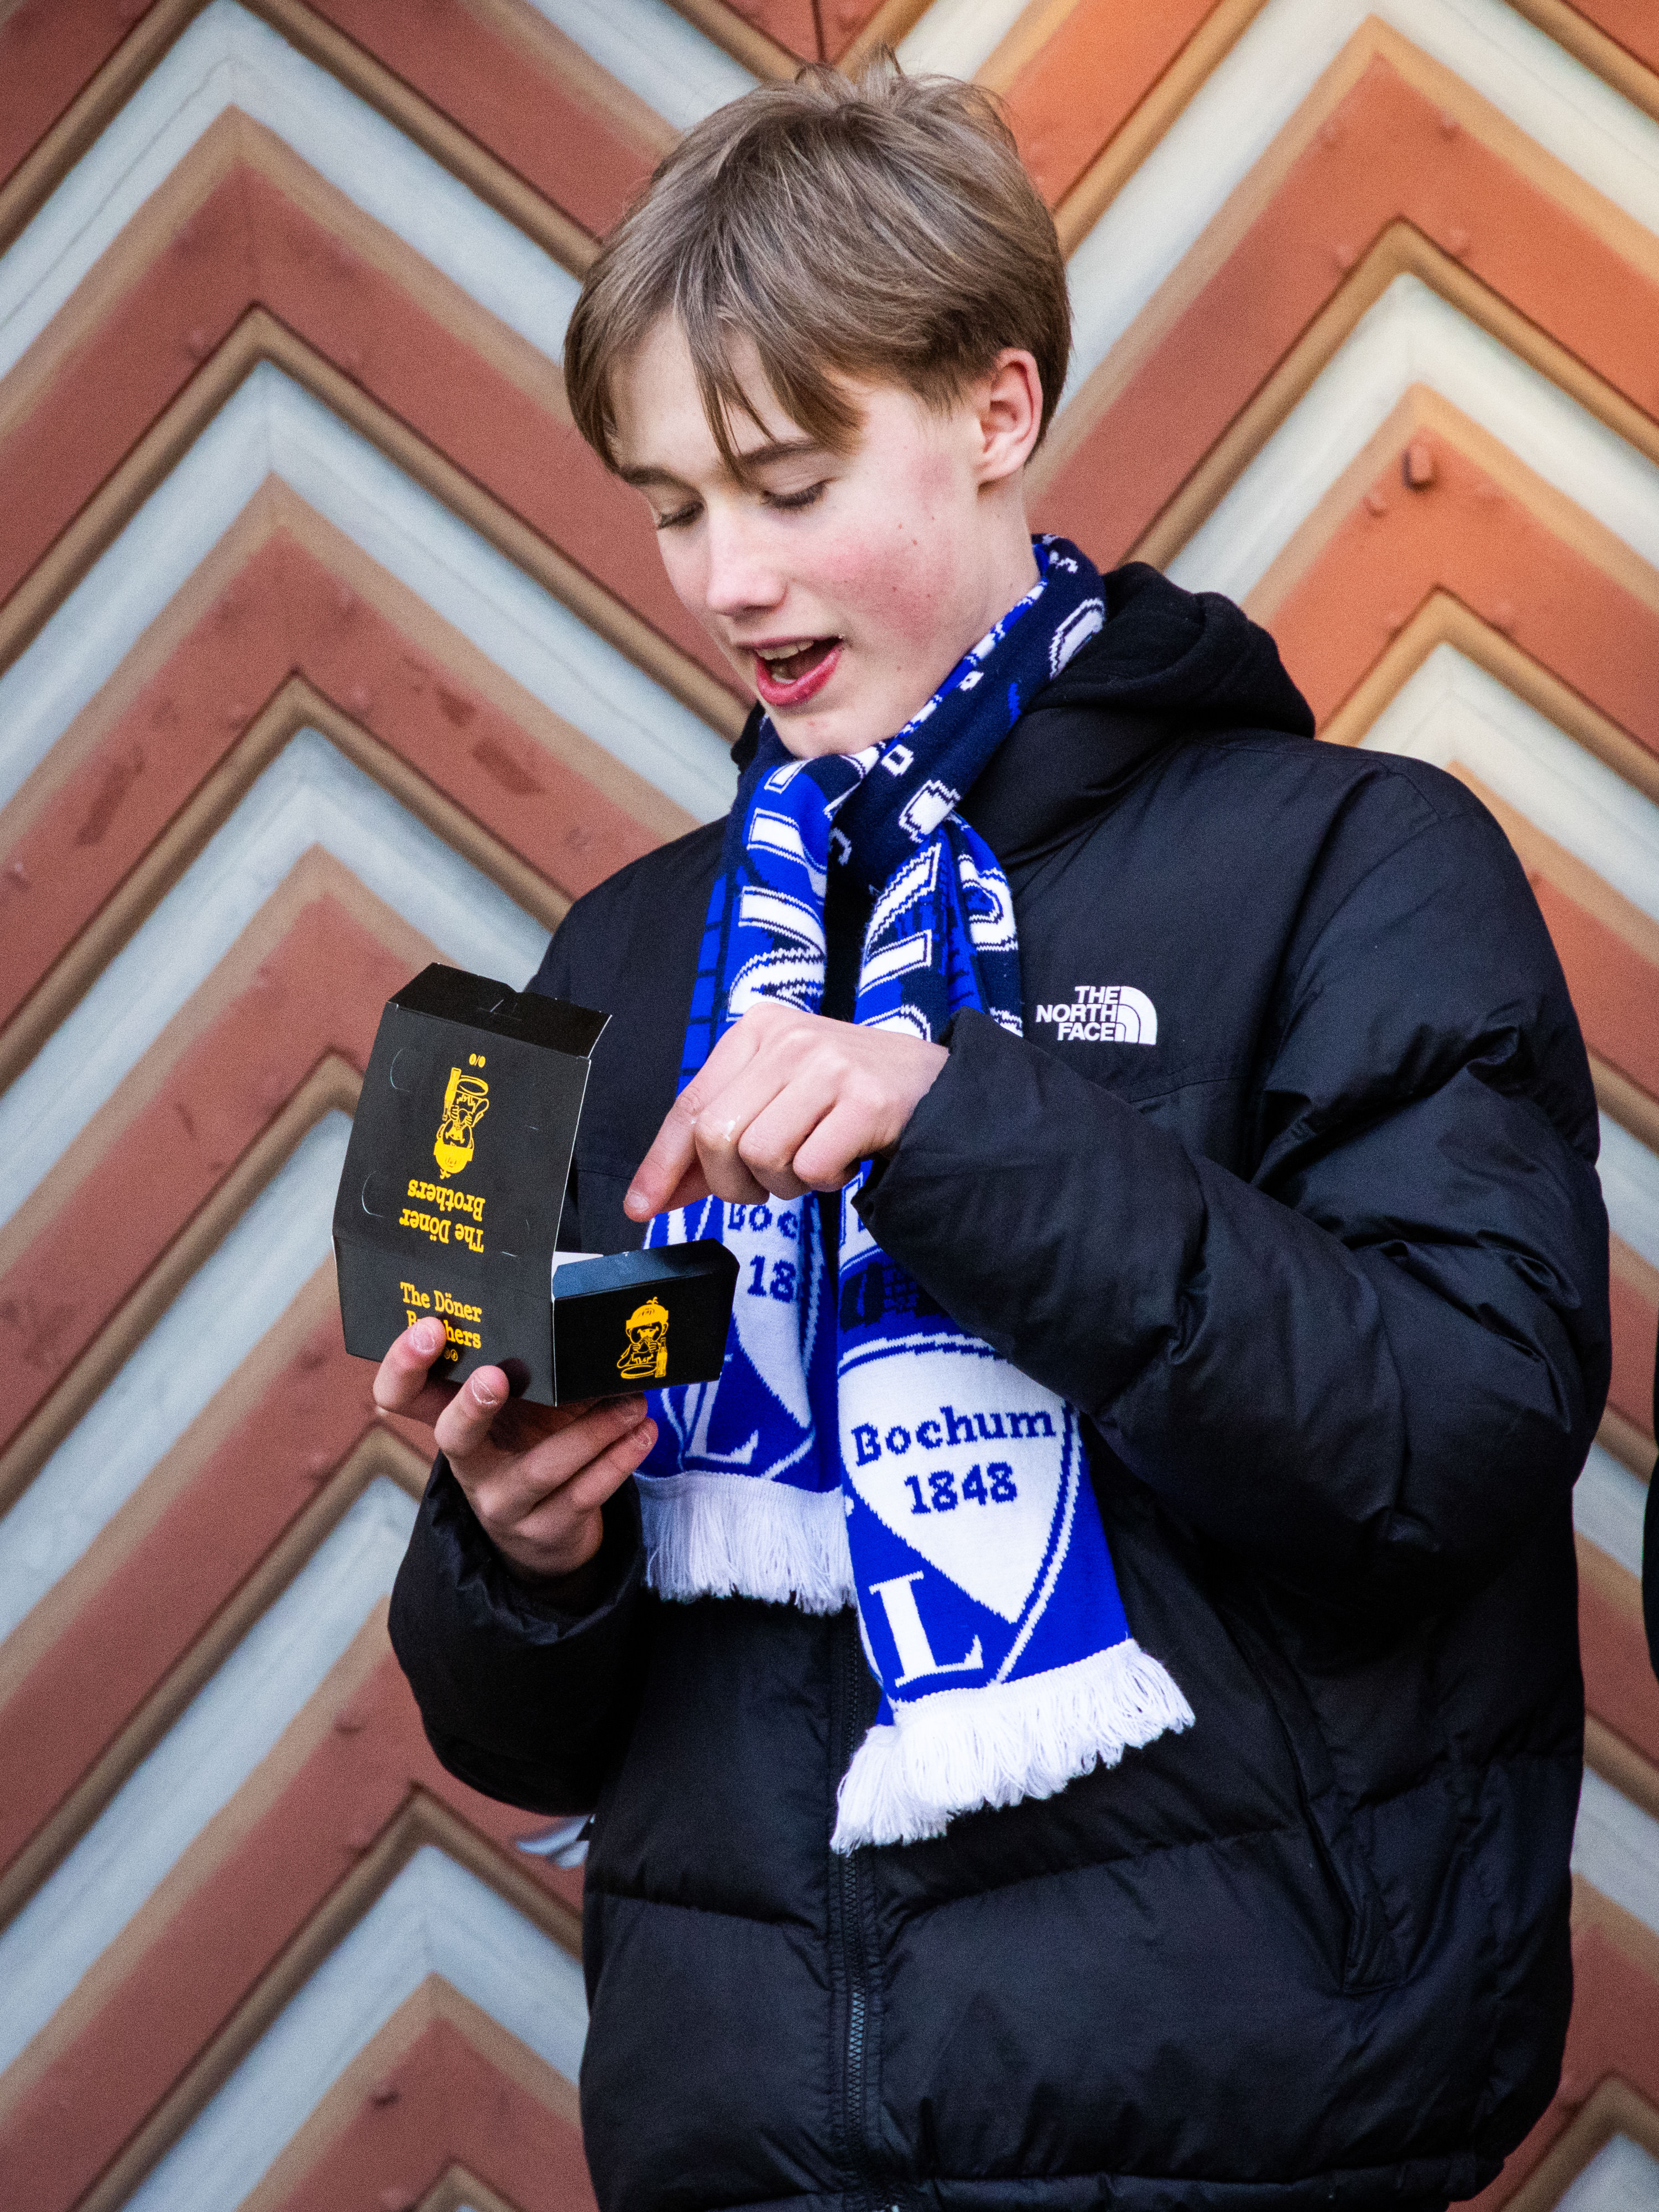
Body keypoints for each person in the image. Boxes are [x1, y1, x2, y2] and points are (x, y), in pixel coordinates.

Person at [382, 59, 1611, 2212]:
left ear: (996, 408)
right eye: (672, 506)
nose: (724, 578)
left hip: (1242, 2150)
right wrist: (522, 1545)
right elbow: (523, 1741)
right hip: (754, 2160)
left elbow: (1450, 1442)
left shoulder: (1351, 863)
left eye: (785, 482)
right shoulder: (635, 950)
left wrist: (955, 1123)